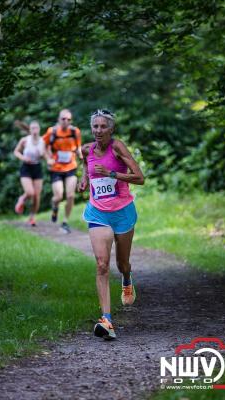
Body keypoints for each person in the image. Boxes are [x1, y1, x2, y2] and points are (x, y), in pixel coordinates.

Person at [78, 109, 145, 340]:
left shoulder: (118, 148)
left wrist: (111, 173)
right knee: (102, 264)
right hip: (98, 213)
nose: (98, 131)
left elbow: (140, 178)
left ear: (111, 129)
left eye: (103, 127)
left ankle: (127, 279)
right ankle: (106, 320)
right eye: (95, 126)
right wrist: (85, 178)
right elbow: (84, 163)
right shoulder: (87, 149)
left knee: (122, 263)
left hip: (123, 212)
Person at [43, 109, 83, 233]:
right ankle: (54, 207)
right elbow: (43, 146)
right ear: (58, 119)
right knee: (58, 196)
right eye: (63, 119)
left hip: (71, 166)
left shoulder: (75, 131)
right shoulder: (52, 131)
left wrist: (81, 154)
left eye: (69, 119)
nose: (66, 121)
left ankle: (65, 221)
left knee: (70, 195)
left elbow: (78, 146)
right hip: (56, 168)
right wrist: (47, 158)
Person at [14, 120, 50, 226]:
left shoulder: (43, 141)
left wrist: (48, 159)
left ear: (39, 130)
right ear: (30, 130)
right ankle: (22, 198)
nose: (35, 130)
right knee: (30, 192)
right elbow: (16, 151)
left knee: (36, 196)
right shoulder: (25, 140)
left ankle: (32, 217)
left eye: (36, 128)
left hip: (37, 168)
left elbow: (45, 155)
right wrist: (24, 158)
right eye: (33, 128)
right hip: (26, 168)